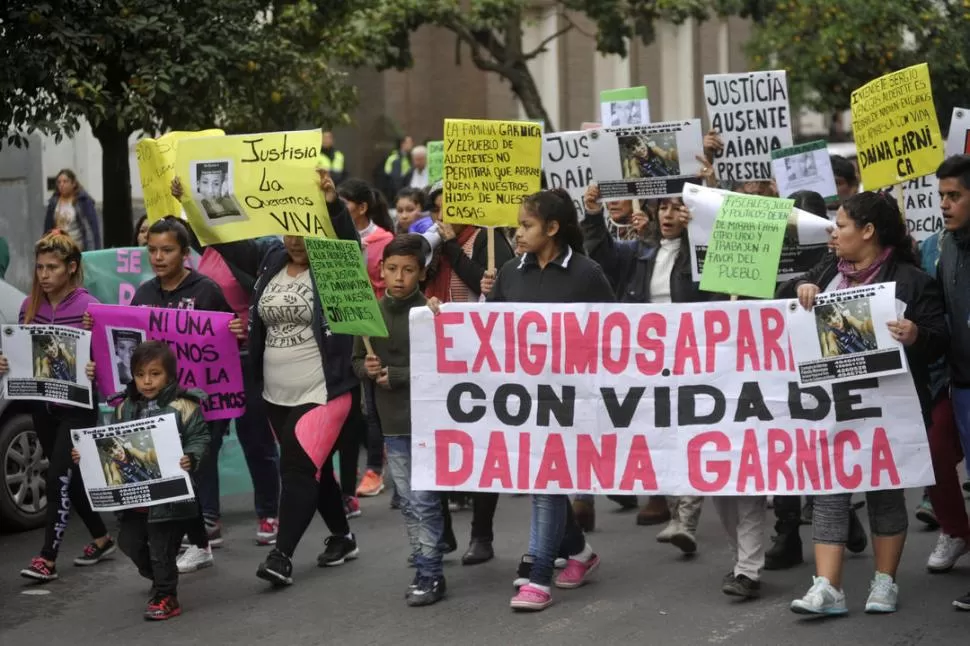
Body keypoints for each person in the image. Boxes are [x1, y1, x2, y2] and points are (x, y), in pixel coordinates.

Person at [786, 191, 947, 616]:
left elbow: (940, 342)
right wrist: (801, 288)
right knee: (830, 493)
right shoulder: (826, 273)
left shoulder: (912, 281)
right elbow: (785, 302)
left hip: (890, 408)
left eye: (841, 226)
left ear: (868, 231)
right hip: (835, 405)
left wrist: (916, 335)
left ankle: (884, 581)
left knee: (884, 493)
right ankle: (827, 588)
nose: (833, 234)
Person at [478, 188, 612, 611]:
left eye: (526, 225)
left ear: (552, 229)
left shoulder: (587, 274)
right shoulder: (509, 273)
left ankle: (537, 577)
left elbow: (613, 335)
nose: (517, 233)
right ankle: (581, 554)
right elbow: (489, 331)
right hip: (521, 399)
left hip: (570, 399)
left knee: (546, 482)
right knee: (542, 480)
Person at [252, 171, 363, 587]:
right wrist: (192, 207)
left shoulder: (334, 263)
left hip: (325, 389)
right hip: (275, 393)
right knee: (316, 468)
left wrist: (334, 206)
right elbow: (226, 244)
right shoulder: (271, 261)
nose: (295, 241)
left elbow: (349, 244)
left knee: (297, 468)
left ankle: (281, 556)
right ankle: (342, 536)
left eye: (303, 231)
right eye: (288, 232)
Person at [113, 216, 241, 572]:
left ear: (185, 253)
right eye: (152, 250)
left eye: (167, 249)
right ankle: (196, 544)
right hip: (156, 409)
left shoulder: (206, 291)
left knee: (191, 475)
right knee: (172, 478)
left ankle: (182, 549)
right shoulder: (143, 294)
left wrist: (234, 330)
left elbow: (227, 343)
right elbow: (127, 347)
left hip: (197, 407)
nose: (158, 257)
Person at [582, 185, 705, 551]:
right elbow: (601, 253)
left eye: (676, 208)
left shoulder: (700, 252)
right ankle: (674, 513)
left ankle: (687, 519)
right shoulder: (639, 251)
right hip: (649, 358)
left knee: (687, 432)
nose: (668, 215)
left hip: (690, 355)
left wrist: (702, 230)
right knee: (660, 435)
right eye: (662, 208)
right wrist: (592, 215)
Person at [170, 178, 284, 548]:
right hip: (212, 362)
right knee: (207, 440)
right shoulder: (208, 249)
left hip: (247, 358)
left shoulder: (260, 248)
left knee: (256, 438)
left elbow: (264, 294)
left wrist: (246, 326)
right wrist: (185, 196)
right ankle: (208, 517)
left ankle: (269, 511)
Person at [0, 231, 115, 582]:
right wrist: (6, 362)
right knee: (68, 479)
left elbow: (106, 356)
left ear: (71, 268)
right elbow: (21, 352)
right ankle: (102, 538)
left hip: (78, 407)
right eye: (39, 268)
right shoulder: (27, 307)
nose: (44, 275)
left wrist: (95, 367)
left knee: (55, 478)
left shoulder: (88, 306)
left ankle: (47, 558)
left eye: (52, 267)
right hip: (41, 404)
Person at [73, 341, 210, 620]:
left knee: (160, 548)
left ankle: (166, 595)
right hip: (134, 497)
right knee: (129, 543)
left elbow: (200, 438)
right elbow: (108, 443)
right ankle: (161, 576)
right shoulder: (124, 408)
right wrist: (85, 454)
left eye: (155, 373)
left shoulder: (184, 406)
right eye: (140, 374)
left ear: (170, 375)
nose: (147, 381)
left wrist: (191, 457)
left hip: (170, 499)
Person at [423, 179, 516, 565]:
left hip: (478, 358)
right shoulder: (426, 243)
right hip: (435, 356)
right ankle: (441, 530)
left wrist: (450, 248)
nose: (444, 216)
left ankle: (481, 534)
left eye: (452, 208)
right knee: (434, 446)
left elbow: (490, 283)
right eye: (438, 209)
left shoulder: (486, 239)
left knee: (480, 446)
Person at [353, 234, 446, 606]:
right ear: (381, 270)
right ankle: (426, 558)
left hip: (428, 422)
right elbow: (356, 360)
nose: (399, 277)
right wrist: (368, 368)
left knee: (423, 502)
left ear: (422, 275)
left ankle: (430, 572)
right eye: (392, 269)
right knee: (408, 501)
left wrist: (399, 374)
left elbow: (443, 365)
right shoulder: (369, 312)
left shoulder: (431, 312)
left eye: (408, 270)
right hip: (391, 425)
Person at [338, 178, 396, 498]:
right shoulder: (330, 238)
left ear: (362, 208)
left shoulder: (384, 240)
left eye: (344, 205)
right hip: (343, 327)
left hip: (374, 327)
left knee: (372, 401)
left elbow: (389, 283)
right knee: (352, 403)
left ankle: (374, 468)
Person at [934, 155, 970, 611]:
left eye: (954, 196)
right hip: (960, 383)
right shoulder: (943, 247)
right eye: (941, 196)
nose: (944, 204)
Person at [44, 169, 101, 251]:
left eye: (65, 181)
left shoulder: (82, 201)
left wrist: (93, 251)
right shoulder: (54, 202)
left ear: (73, 183)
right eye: (59, 182)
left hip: (77, 248)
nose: (61, 185)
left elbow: (92, 229)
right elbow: (48, 228)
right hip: (59, 249)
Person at [380, 136, 414, 201]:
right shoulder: (396, 158)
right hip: (397, 195)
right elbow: (396, 181)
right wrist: (401, 197)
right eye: (409, 142)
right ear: (402, 144)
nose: (412, 144)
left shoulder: (406, 157)